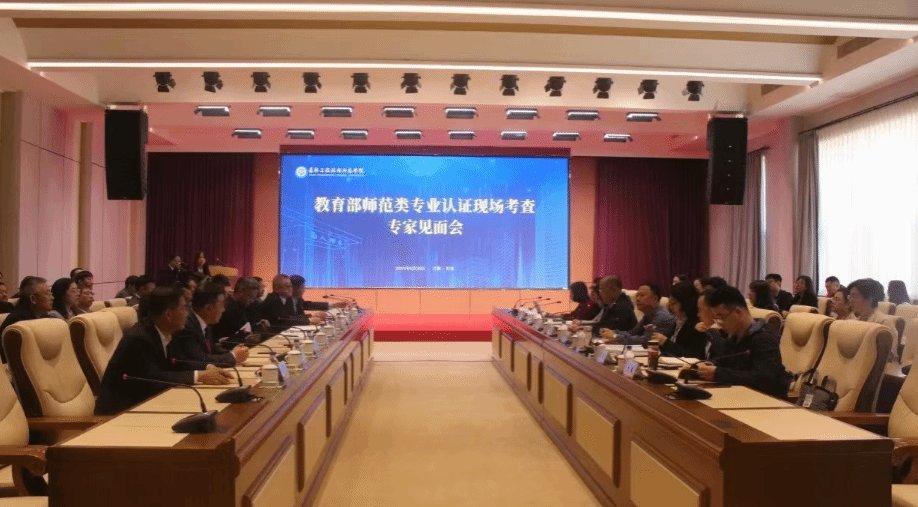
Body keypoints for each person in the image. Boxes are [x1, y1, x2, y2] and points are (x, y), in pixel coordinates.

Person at [94, 287, 234, 415]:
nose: (187, 314)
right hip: (118, 415)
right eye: (184, 309)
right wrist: (198, 376)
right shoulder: (140, 338)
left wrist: (207, 367)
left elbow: (176, 363)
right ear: (168, 314)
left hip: (145, 405)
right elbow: (153, 379)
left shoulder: (163, 333)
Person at [694, 285, 790, 398]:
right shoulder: (734, 334)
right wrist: (709, 365)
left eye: (721, 317)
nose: (719, 323)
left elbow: (764, 379)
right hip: (739, 395)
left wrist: (718, 373)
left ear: (738, 312)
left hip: (765, 401)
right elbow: (726, 361)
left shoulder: (764, 336)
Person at [171, 284, 249, 367]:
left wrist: (232, 352)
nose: (223, 310)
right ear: (208, 308)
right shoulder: (187, 325)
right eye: (222, 305)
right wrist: (233, 356)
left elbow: (211, 348)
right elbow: (198, 359)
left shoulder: (204, 322)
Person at [648, 282, 708, 359]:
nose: (670, 306)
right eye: (670, 302)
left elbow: (688, 355)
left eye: (673, 303)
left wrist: (665, 342)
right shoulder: (678, 321)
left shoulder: (696, 325)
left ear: (685, 302)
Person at [602, 283, 676, 346]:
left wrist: (616, 337)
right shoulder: (648, 314)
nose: (637, 299)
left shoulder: (662, 316)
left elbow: (646, 341)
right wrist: (613, 332)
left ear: (655, 299)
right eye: (637, 295)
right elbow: (632, 333)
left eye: (642, 295)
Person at [0, 277, 54, 362]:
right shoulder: (18, 323)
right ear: (33, 299)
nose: (52, 298)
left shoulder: (45, 317)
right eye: (47, 293)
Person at [570, 275, 637, 336]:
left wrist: (582, 328)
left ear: (613, 290)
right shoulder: (612, 304)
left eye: (601, 290)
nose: (600, 293)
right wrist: (581, 327)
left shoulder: (622, 306)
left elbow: (608, 328)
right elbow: (601, 324)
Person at [213, 277, 271, 343]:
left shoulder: (246, 305)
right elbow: (225, 336)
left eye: (254, 298)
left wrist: (259, 324)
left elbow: (248, 326)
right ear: (240, 291)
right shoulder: (226, 307)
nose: (252, 301)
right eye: (250, 296)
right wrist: (244, 338)